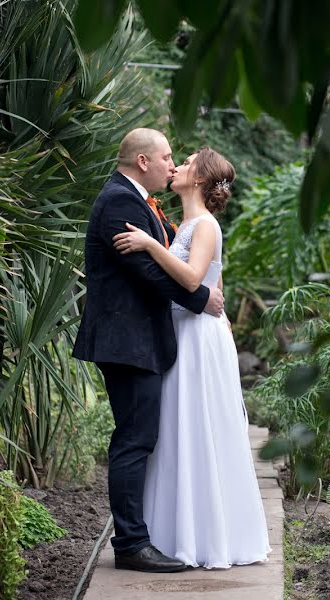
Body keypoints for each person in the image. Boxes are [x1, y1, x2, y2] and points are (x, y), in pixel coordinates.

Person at [72, 128, 226, 573]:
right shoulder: (121, 201)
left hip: (139, 341)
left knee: (139, 439)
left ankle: (140, 536)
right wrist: (202, 301)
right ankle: (131, 545)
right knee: (134, 440)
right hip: (127, 341)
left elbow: (174, 262)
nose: (172, 164)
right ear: (144, 162)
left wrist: (203, 293)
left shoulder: (140, 203)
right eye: (167, 157)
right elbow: (147, 272)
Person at [113, 147, 271, 569]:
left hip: (198, 336)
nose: (177, 165)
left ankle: (207, 536)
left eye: (185, 162)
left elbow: (191, 278)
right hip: (181, 332)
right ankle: (173, 532)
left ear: (199, 179)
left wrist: (148, 244)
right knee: (177, 431)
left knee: (199, 429)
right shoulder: (182, 223)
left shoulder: (204, 224)